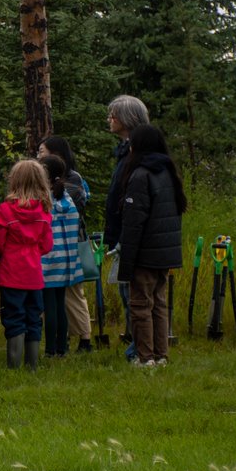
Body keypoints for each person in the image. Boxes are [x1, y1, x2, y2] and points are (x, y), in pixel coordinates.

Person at [116, 125, 187, 367]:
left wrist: (127, 261)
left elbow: (133, 222)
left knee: (140, 305)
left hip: (145, 252)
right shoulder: (168, 172)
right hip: (165, 251)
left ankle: (145, 357)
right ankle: (161, 355)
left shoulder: (140, 175)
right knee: (158, 303)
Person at [0, 159, 53, 370]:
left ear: (14, 180)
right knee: (33, 317)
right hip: (34, 274)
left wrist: (4, 254)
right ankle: (32, 366)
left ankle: (14, 366)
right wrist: (32, 251)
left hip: (11, 273)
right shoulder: (44, 212)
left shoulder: (5, 211)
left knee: (13, 317)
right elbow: (47, 245)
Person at [38, 136, 93, 352]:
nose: (38, 156)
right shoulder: (66, 200)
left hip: (54, 256)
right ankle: (63, 344)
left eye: (42, 151)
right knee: (60, 303)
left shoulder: (61, 191)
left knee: (67, 299)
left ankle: (67, 343)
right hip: (68, 255)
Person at [104, 94, 150, 353]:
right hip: (122, 231)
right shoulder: (124, 151)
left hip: (131, 234)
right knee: (126, 291)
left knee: (133, 292)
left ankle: (139, 346)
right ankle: (136, 341)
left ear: (128, 118)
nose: (109, 119)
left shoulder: (137, 153)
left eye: (114, 115)